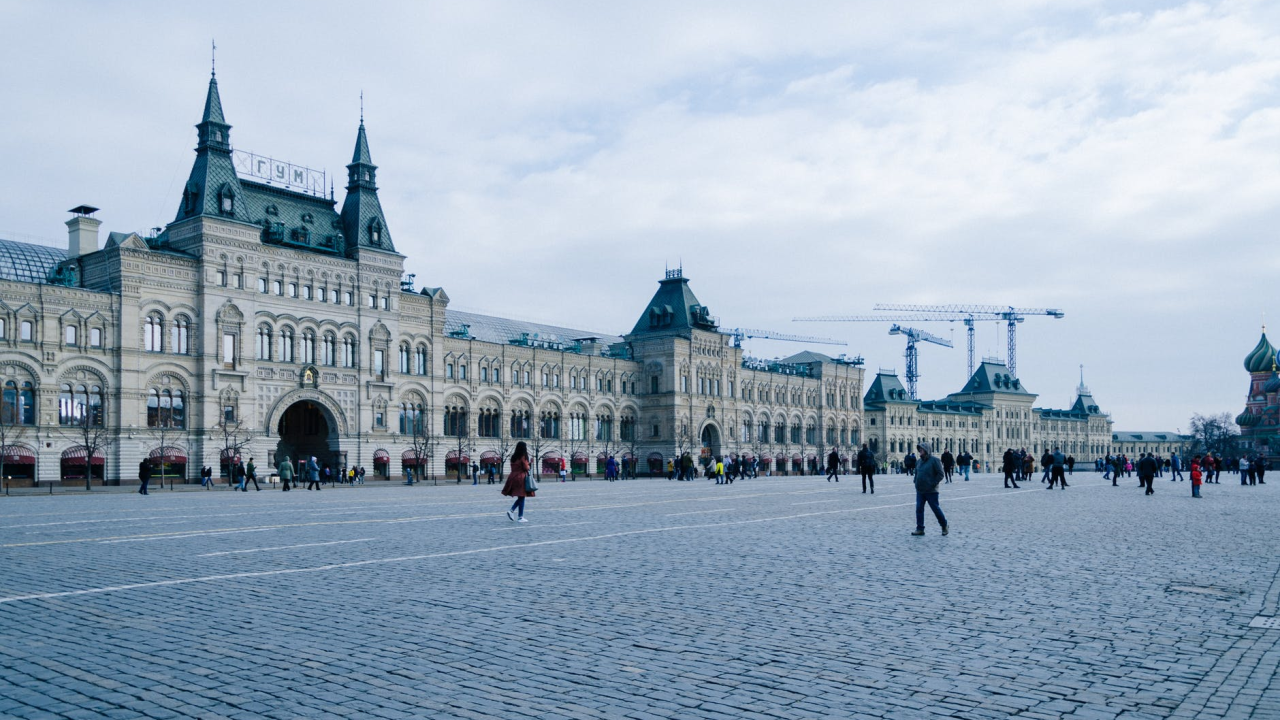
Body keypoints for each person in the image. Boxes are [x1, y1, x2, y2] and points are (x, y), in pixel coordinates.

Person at [911, 442, 948, 536]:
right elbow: (917, 473)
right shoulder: (918, 461)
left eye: (922, 449)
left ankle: (944, 525)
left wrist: (933, 483)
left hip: (931, 491)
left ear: (927, 450)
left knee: (935, 509)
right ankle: (920, 528)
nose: (920, 451)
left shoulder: (935, 460)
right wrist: (915, 481)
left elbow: (941, 474)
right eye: (919, 449)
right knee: (919, 509)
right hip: (920, 490)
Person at [502, 441, 533, 523]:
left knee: (520, 497)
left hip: (512, 477)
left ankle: (512, 511)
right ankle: (519, 516)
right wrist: (529, 465)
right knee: (522, 496)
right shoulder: (523, 457)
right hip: (520, 477)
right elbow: (526, 467)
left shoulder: (513, 457)